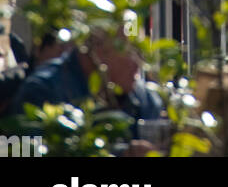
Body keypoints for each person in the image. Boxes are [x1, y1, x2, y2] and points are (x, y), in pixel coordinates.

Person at [12, 28, 164, 150]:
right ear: (97, 52)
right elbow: (20, 150)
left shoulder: (142, 98)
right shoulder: (43, 90)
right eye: (128, 52)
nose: (137, 64)